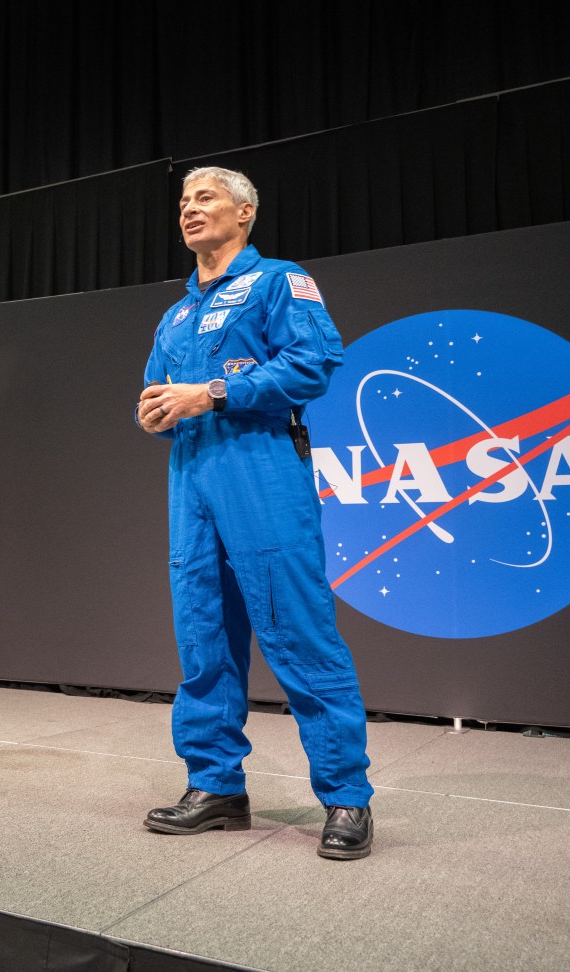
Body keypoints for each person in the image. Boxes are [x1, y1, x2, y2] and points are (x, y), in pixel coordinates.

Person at [136, 167, 375, 860]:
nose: (189, 210)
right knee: (203, 639)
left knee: (299, 635)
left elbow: (317, 361)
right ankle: (215, 787)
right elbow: (153, 392)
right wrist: (154, 408)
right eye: (183, 202)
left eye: (204, 198)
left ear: (245, 213)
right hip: (192, 483)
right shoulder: (175, 315)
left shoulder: (278, 282)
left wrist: (210, 391)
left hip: (262, 472)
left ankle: (347, 797)